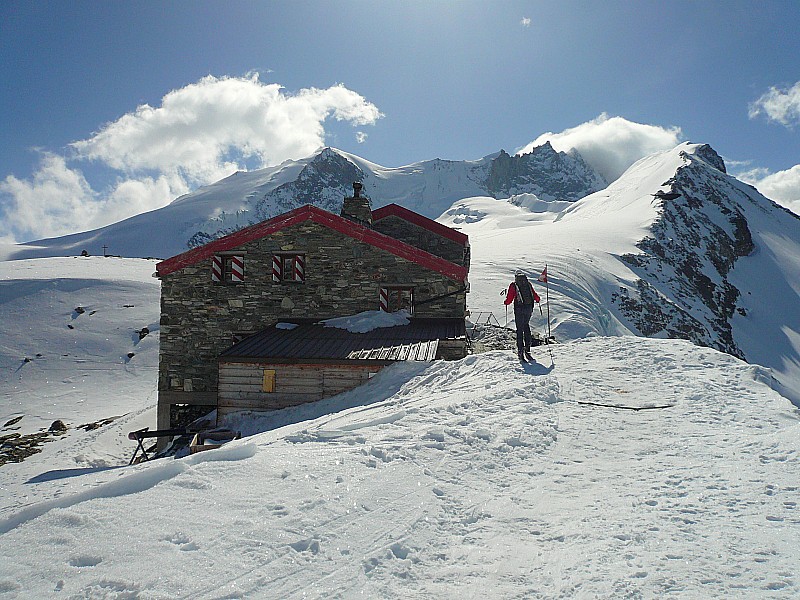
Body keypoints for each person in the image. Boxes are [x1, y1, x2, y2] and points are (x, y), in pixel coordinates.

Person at [504, 269, 541, 360]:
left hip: (519, 309)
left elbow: (509, 299)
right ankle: (527, 349)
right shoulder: (528, 284)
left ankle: (520, 350)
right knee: (526, 326)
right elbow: (535, 295)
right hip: (529, 308)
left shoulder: (514, 285)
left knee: (519, 330)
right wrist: (537, 299)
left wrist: (506, 302)